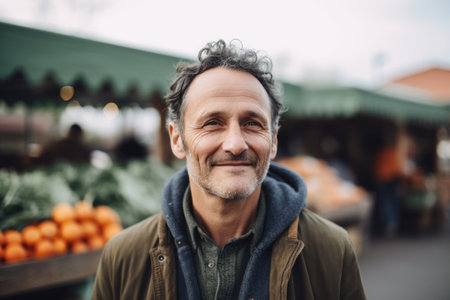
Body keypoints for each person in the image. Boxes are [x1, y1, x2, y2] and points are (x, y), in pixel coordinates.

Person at [92, 40, 366, 300]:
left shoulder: (332, 251)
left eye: (252, 123)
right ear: (177, 139)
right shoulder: (122, 257)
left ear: (274, 142)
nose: (235, 144)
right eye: (212, 122)